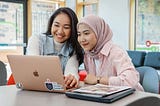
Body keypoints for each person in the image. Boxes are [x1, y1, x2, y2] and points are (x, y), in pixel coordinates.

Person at [19, 7, 83, 89]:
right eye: (56, 25)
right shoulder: (37, 40)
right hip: (32, 89)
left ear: (73, 30)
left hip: (55, 94)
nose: (60, 31)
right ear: (51, 25)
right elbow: (32, 66)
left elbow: (71, 70)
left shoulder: (73, 49)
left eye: (66, 27)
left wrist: (71, 79)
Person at [77, 14, 144, 91]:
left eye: (86, 33)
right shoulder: (88, 54)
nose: (82, 39)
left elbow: (130, 80)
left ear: (99, 32)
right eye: (79, 34)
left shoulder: (116, 52)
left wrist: (98, 80)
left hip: (132, 97)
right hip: (107, 97)